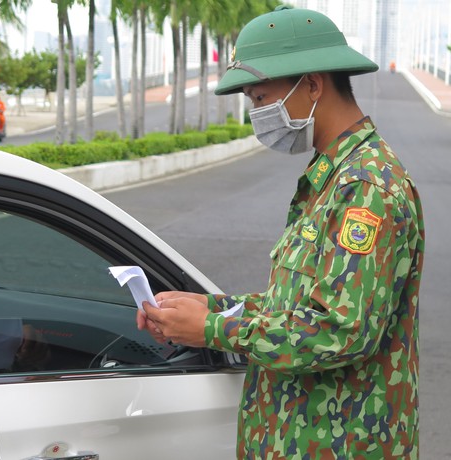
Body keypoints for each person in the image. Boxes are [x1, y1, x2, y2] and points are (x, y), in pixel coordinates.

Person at [137, 6, 424, 459]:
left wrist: (214, 329)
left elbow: (339, 331)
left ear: (312, 83)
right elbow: (295, 307)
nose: (257, 113)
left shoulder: (366, 188)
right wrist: (207, 308)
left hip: (340, 445)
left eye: (260, 97)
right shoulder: (330, 177)